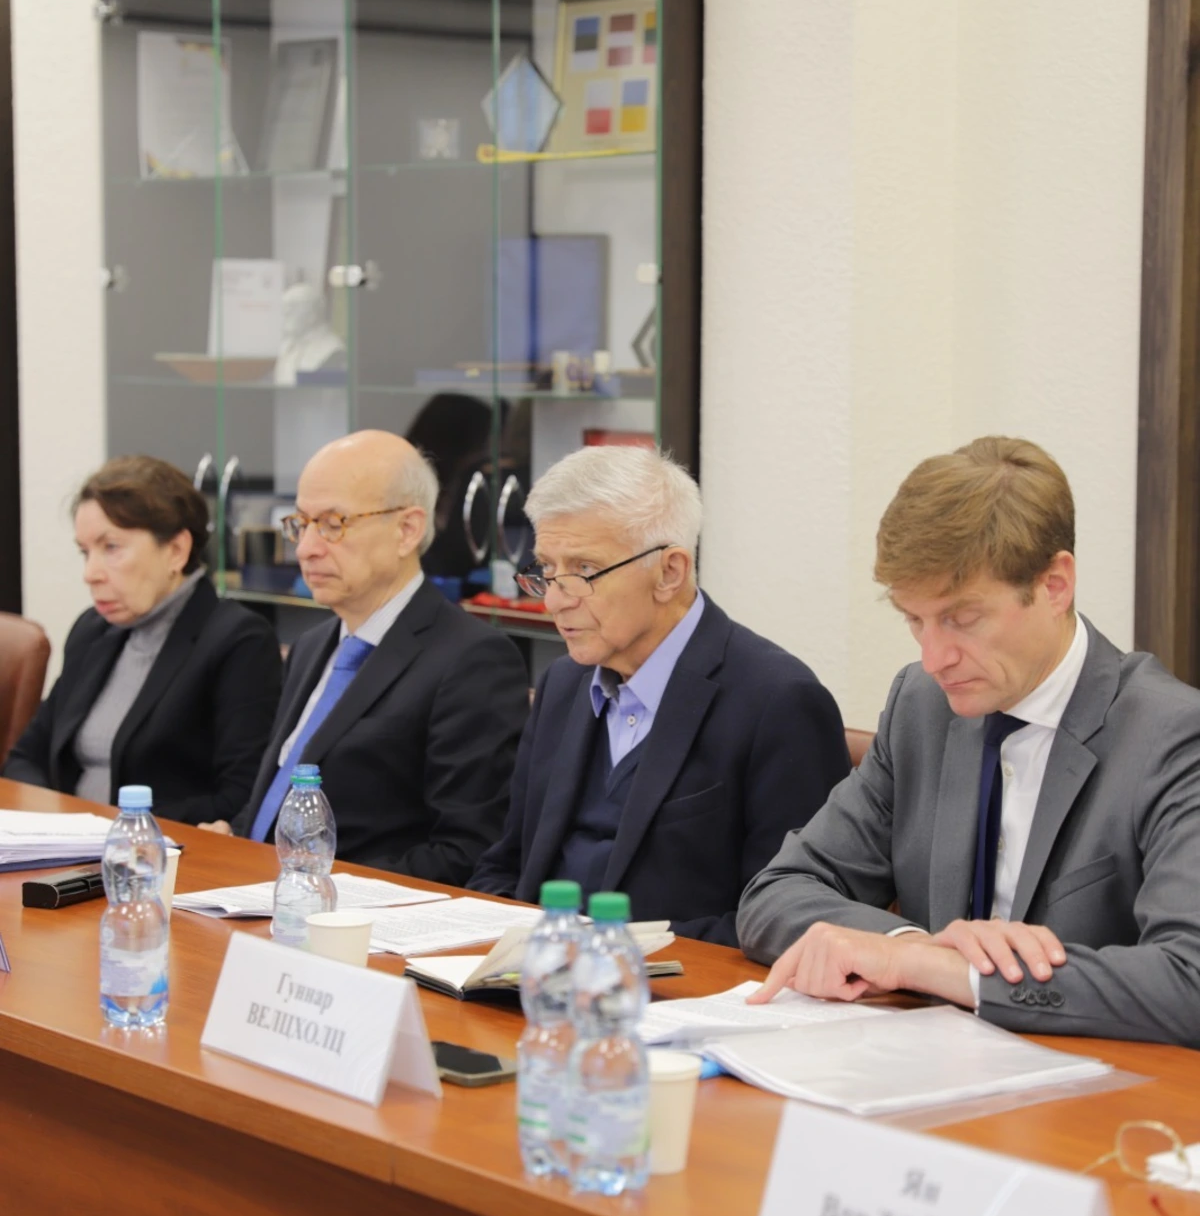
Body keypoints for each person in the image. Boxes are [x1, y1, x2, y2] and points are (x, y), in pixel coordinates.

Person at [739, 436, 1200, 1047]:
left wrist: (952, 974)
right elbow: (777, 892)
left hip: (1101, 1088)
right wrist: (909, 948)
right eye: (915, 620)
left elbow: (1190, 981)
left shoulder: (1173, 735)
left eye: (961, 619)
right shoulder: (921, 707)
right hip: (925, 1066)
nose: (933, 658)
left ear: (1055, 584)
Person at [471, 445, 849, 943]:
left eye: (583, 570)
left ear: (670, 571)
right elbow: (506, 866)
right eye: (546, 569)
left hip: (674, 980)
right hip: (536, 969)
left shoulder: (778, 702)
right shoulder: (563, 684)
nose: (555, 600)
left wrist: (611, 952)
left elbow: (792, 917)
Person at [204, 429, 529, 882]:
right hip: (257, 891)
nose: (306, 548)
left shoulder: (472, 660)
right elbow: (278, 798)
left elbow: (467, 851)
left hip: (354, 912)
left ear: (407, 530)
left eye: (333, 523)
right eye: (301, 523)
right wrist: (234, 836)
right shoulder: (312, 646)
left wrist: (316, 885)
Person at [5, 455, 281, 823]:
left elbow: (240, 798)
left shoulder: (238, 640)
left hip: (158, 850)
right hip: (69, 841)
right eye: (85, 552)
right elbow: (25, 758)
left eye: (111, 548)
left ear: (176, 551)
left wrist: (117, 829)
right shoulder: (92, 630)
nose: (90, 573)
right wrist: (57, 822)